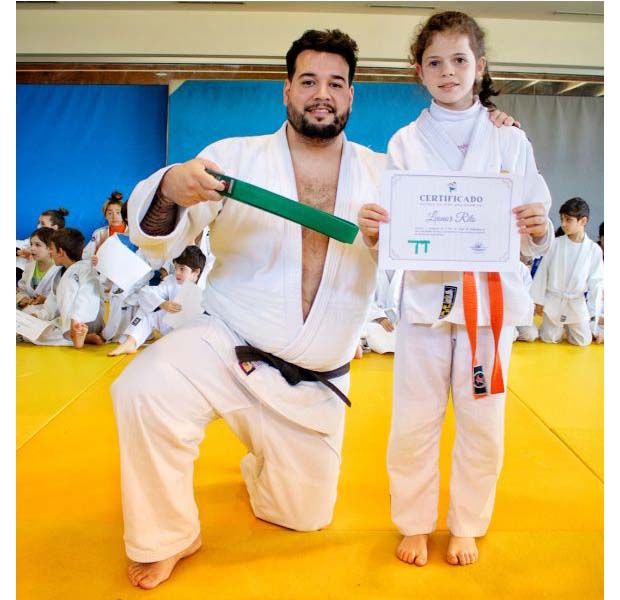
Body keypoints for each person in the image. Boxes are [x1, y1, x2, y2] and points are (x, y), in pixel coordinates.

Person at [111, 28, 518, 590]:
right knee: (143, 388)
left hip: (313, 381)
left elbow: (458, 209)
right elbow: (156, 235)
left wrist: (492, 127)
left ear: (351, 95)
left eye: (335, 83)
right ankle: (168, 536)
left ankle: (262, 462)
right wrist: (169, 189)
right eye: (308, 81)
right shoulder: (233, 158)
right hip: (226, 349)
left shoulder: (387, 174)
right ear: (287, 90)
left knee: (303, 516)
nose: (321, 94)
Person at [358, 11, 553, 568]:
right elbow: (393, 229)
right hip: (425, 301)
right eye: (435, 62)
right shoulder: (404, 142)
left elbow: (533, 225)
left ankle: (467, 522)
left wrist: (538, 227)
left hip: (490, 305)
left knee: (482, 421)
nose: (448, 72)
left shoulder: (509, 138)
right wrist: (376, 231)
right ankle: (415, 522)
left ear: (480, 66)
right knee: (414, 419)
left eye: (459, 60)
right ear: (419, 71)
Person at [108, 245, 206, 356]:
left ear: (196, 272)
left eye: (182, 269)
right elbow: (147, 292)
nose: (177, 273)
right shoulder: (171, 280)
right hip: (170, 327)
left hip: (191, 334)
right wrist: (162, 303)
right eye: (176, 268)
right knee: (148, 309)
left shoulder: (206, 287)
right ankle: (131, 342)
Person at [531, 197, 603, 346]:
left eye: (568, 220)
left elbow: (596, 282)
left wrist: (594, 313)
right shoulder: (555, 244)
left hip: (576, 302)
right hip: (554, 300)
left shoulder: (593, 249)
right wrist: (538, 300)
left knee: (583, 341)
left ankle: (572, 328)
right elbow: (543, 272)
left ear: (583, 221)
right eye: (562, 219)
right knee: (549, 338)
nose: (563, 224)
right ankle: (558, 328)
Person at [25, 228, 105, 348]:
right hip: (66, 323)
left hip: (85, 322)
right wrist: (39, 315)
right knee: (29, 331)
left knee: (38, 334)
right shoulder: (59, 272)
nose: (50, 252)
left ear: (60, 252)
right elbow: (52, 302)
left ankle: (81, 336)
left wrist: (76, 320)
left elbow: (87, 296)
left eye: (51, 249)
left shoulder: (86, 269)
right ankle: (79, 338)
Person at [16, 207, 69, 283]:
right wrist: (19, 252)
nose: (38, 226)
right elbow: (21, 244)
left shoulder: (60, 247)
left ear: (54, 228)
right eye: (38, 223)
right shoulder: (36, 237)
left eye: (42, 224)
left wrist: (31, 255)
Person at [16, 227, 62, 310]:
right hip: (26, 311)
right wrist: (24, 298)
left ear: (51, 248)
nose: (32, 248)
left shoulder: (59, 271)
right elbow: (22, 289)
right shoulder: (30, 266)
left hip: (45, 313)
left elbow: (59, 302)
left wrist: (45, 300)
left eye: (38, 245)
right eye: (31, 244)